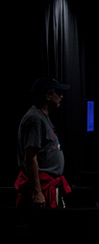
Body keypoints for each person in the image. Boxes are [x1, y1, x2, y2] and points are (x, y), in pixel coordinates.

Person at [15, 77, 72, 208]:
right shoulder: (35, 118)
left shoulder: (43, 117)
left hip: (49, 184)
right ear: (48, 96)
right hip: (43, 186)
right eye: (58, 92)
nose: (62, 96)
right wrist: (37, 191)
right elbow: (30, 156)